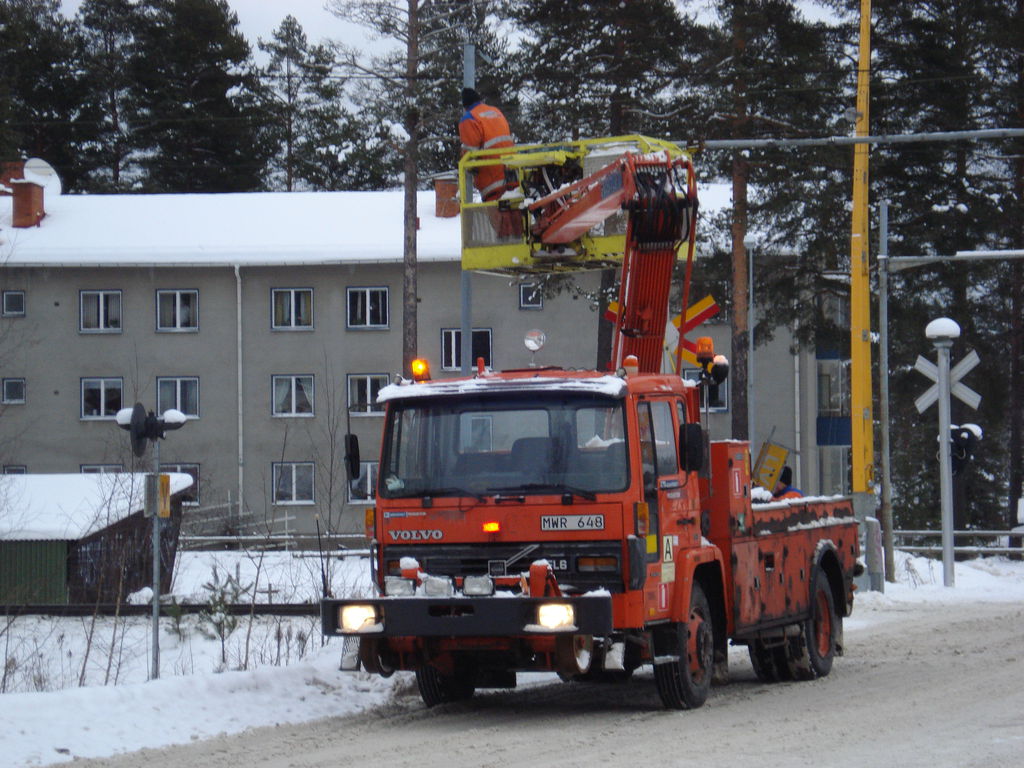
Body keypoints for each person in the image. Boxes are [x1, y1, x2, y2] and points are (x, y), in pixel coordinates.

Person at [459, 87, 515, 202]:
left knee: (497, 217)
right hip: (513, 172)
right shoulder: (496, 111)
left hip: (492, 181)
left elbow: (469, 153)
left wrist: (468, 166)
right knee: (515, 215)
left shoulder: (469, 118)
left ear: (465, 106)